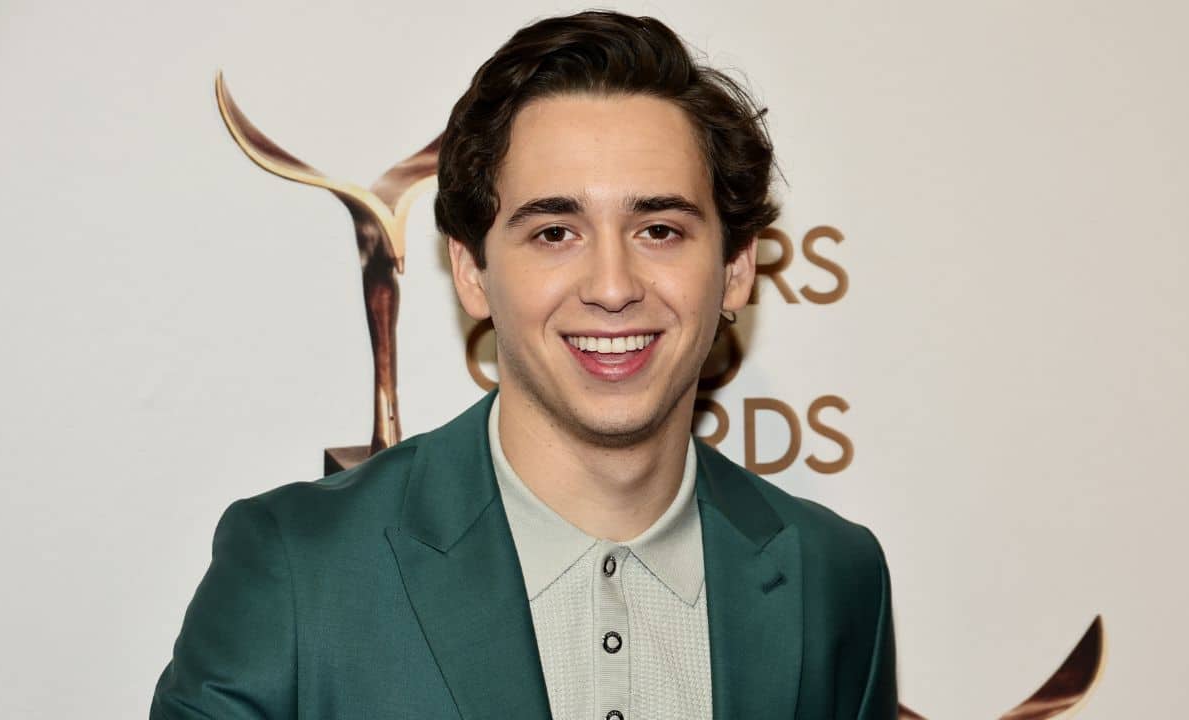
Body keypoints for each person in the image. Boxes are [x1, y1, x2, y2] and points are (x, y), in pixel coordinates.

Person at [150, 9, 896, 720]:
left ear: (736, 268)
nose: (612, 287)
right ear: (472, 271)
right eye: (553, 233)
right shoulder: (298, 569)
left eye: (660, 229)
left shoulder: (833, 577)